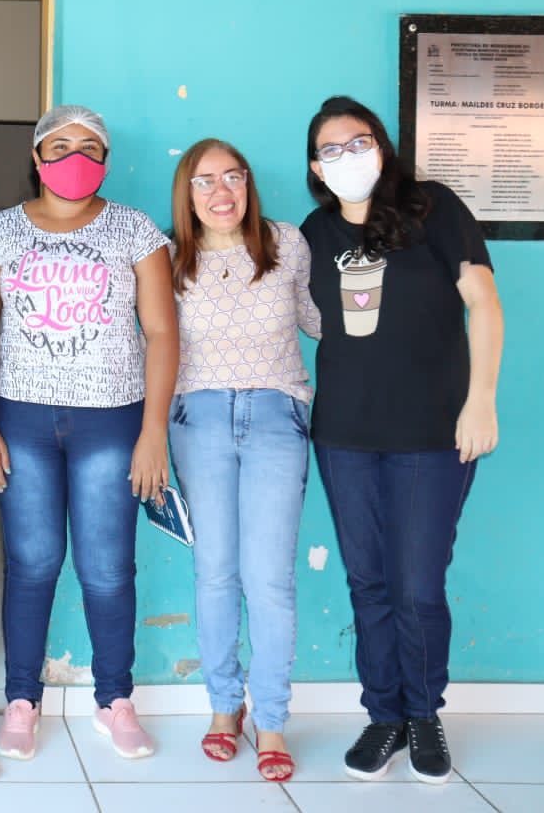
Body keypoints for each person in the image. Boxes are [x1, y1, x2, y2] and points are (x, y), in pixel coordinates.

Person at [301, 95, 502, 785]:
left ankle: (423, 714)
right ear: (315, 168)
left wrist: (482, 401)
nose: (347, 156)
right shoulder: (315, 232)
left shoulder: (433, 209)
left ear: (382, 147)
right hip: (346, 435)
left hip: (432, 433)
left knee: (418, 586)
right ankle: (382, 715)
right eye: (331, 149)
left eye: (359, 141)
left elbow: (484, 302)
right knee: (369, 582)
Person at [0, 105, 177, 763]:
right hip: (21, 418)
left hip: (113, 420)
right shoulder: (2, 232)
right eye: (59, 145)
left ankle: (115, 700)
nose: (74, 157)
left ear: (108, 160)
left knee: (107, 569)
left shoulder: (136, 231)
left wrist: (155, 433)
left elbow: (161, 334)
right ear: (36, 159)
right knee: (32, 564)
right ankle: (20, 700)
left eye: (89, 146)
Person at [165, 138, 320, 782]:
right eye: (205, 181)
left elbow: (318, 319)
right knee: (216, 573)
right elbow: (149, 342)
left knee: (270, 578)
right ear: (187, 193)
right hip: (196, 420)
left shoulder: (286, 243)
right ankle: (224, 707)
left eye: (234, 177)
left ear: (250, 184)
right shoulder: (170, 259)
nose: (221, 192)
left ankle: (273, 718)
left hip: (278, 419)